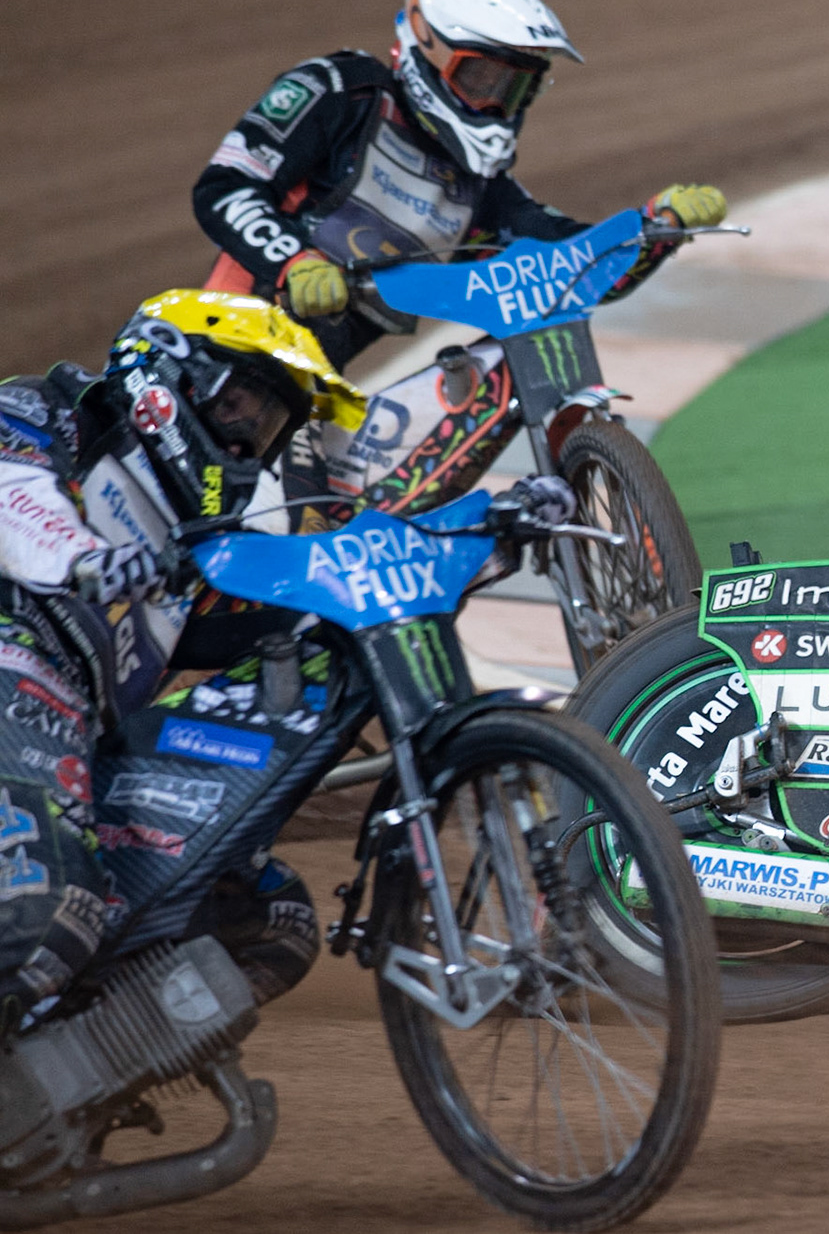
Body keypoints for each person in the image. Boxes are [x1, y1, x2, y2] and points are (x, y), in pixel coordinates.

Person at [0, 289, 573, 1031]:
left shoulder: (194, 549)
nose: (246, 442)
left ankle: (56, 1096)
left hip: (69, 734)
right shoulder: (50, 411)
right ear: (168, 380)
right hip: (16, 662)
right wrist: (82, 558)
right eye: (239, 404)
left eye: (266, 425)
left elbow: (335, 575)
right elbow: (12, 494)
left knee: (267, 921)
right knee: (49, 915)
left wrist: (484, 532)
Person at [192, 0, 727, 371]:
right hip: (219, 351)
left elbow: (574, 267)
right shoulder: (341, 91)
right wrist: (296, 263)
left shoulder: (482, 191)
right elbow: (225, 186)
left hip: (308, 391)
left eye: (514, 88)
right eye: (481, 80)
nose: (495, 104)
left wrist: (654, 228)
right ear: (425, 47)